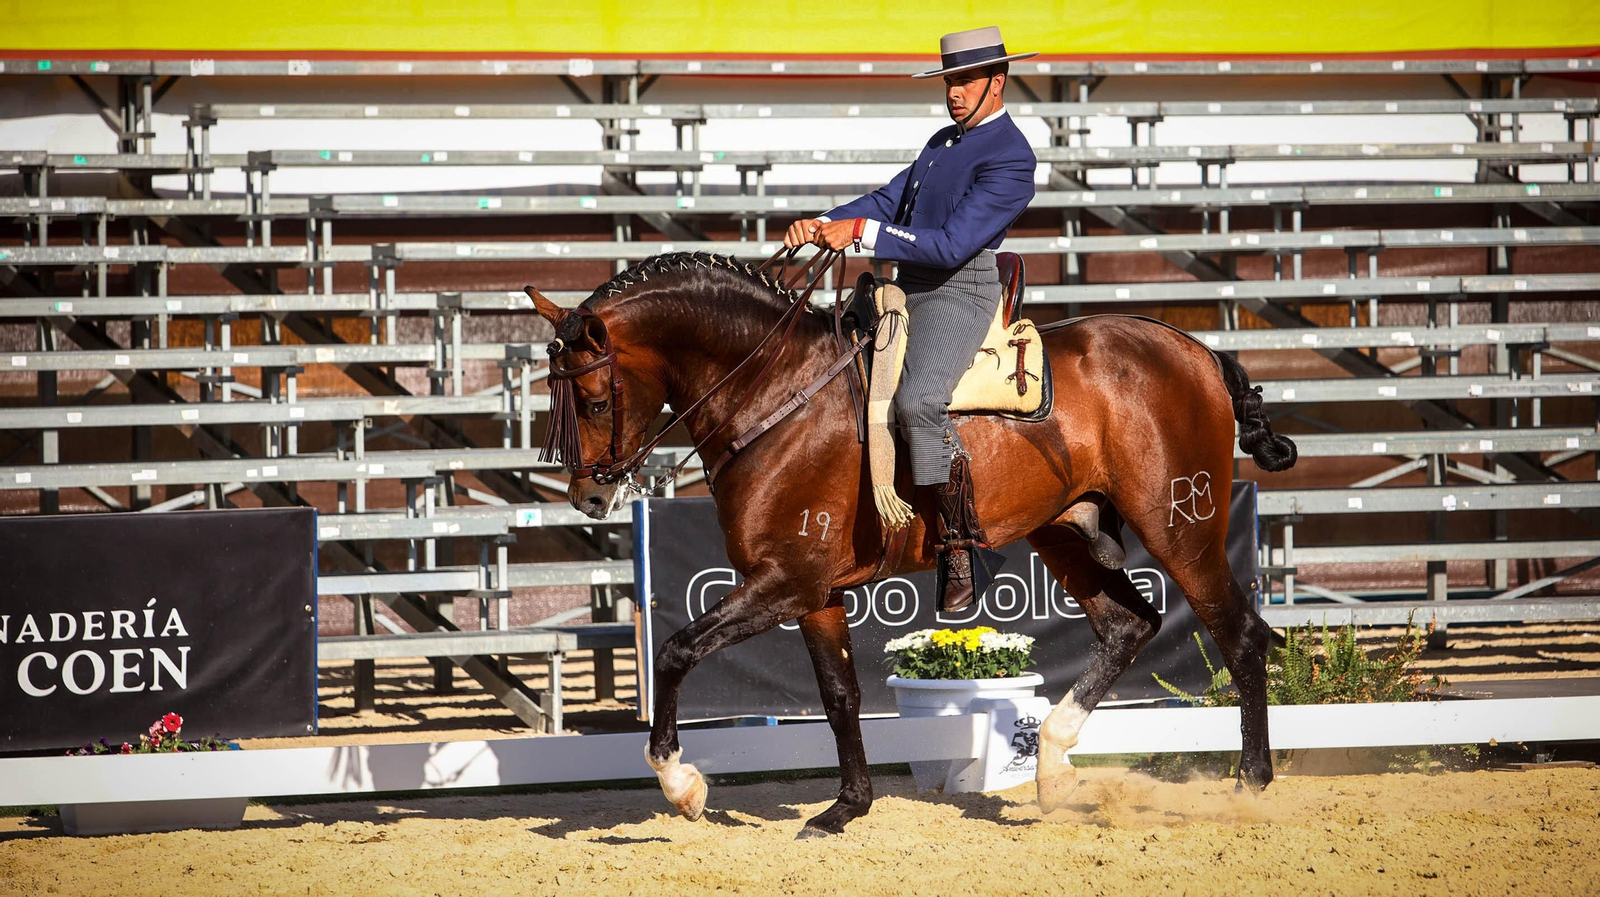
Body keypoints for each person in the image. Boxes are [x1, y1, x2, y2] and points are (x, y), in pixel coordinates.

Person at [785, 26, 1038, 613]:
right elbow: (887, 201)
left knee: (918, 402)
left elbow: (951, 245)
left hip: (959, 292)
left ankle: (960, 547)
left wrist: (864, 234)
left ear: (996, 83)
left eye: (966, 80)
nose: (954, 91)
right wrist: (823, 222)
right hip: (905, 287)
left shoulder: (1011, 156)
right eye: (950, 80)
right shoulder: (942, 142)